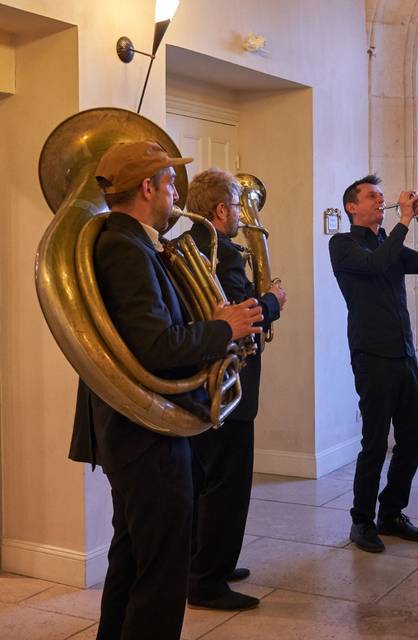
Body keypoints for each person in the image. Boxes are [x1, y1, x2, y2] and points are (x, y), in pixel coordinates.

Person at [68, 140, 264, 640]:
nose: (176, 192)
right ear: (148, 187)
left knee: (134, 557)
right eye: (170, 182)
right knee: (161, 574)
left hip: (135, 430)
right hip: (147, 432)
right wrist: (224, 329)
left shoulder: (127, 242)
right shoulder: (124, 247)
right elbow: (157, 346)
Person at [183, 168, 287, 611]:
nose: (244, 216)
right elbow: (243, 315)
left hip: (204, 383)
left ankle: (208, 563)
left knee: (206, 480)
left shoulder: (189, 244)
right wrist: (273, 301)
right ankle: (209, 581)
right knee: (228, 485)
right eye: (238, 206)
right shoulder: (221, 251)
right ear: (221, 210)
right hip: (229, 382)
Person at [330, 175, 418, 553]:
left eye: (381, 196)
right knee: (374, 443)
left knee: (412, 439)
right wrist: (404, 219)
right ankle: (361, 522)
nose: (380, 201)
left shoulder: (384, 242)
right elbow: (377, 265)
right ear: (352, 207)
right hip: (372, 355)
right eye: (372, 197)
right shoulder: (342, 245)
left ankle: (391, 513)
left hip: (403, 352)